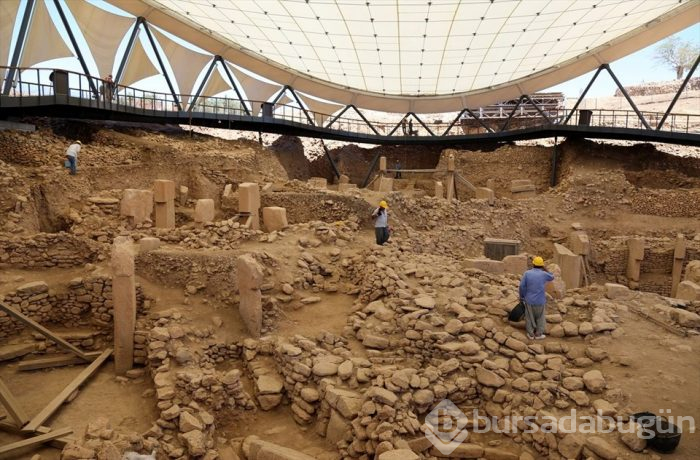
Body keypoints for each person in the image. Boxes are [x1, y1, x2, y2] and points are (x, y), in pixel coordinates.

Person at [518, 256, 554, 340]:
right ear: (541, 265)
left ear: (533, 264)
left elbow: (522, 286)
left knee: (529, 317)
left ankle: (530, 334)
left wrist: (522, 297)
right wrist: (545, 269)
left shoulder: (527, 273)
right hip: (540, 300)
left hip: (529, 300)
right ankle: (538, 334)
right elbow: (552, 277)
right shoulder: (544, 274)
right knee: (540, 317)